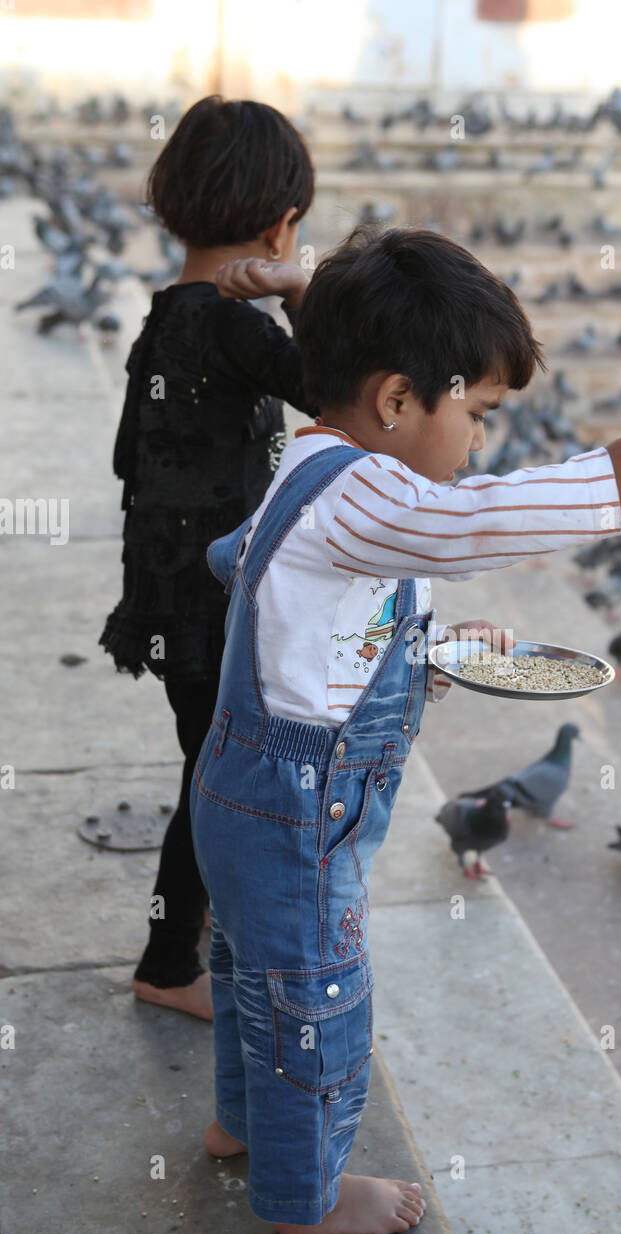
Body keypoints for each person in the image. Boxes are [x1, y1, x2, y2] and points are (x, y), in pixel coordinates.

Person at [190, 224, 621, 1234]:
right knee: (320, 1000)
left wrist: (436, 649)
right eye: (475, 415)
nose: (478, 443)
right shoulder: (368, 492)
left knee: (253, 970)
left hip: (245, 796)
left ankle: (239, 1124)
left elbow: (289, 590)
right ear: (396, 401)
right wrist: (609, 480)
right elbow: (461, 519)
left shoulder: (318, 475)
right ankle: (305, 1200)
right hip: (295, 819)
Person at [98, 96, 315, 1021]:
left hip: (164, 595)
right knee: (215, 778)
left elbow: (127, 456)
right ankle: (168, 963)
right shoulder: (236, 327)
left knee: (206, 766)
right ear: (281, 226)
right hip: (210, 605)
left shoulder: (164, 317)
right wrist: (301, 294)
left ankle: (183, 943)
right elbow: (334, 391)